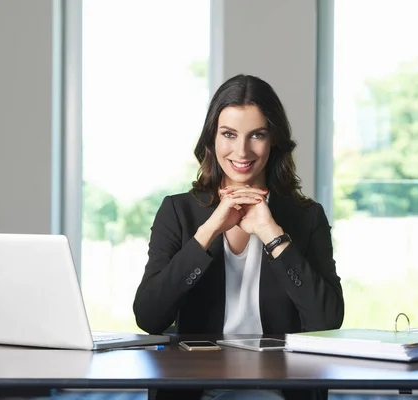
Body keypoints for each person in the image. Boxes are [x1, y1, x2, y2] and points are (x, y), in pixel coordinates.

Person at [133, 74, 344, 400]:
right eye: (228, 134)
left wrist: (272, 234)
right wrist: (208, 232)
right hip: (196, 386)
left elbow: (327, 320)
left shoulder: (306, 217)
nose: (241, 151)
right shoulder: (178, 211)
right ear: (212, 139)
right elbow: (149, 317)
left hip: (280, 386)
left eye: (256, 135)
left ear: (273, 140)